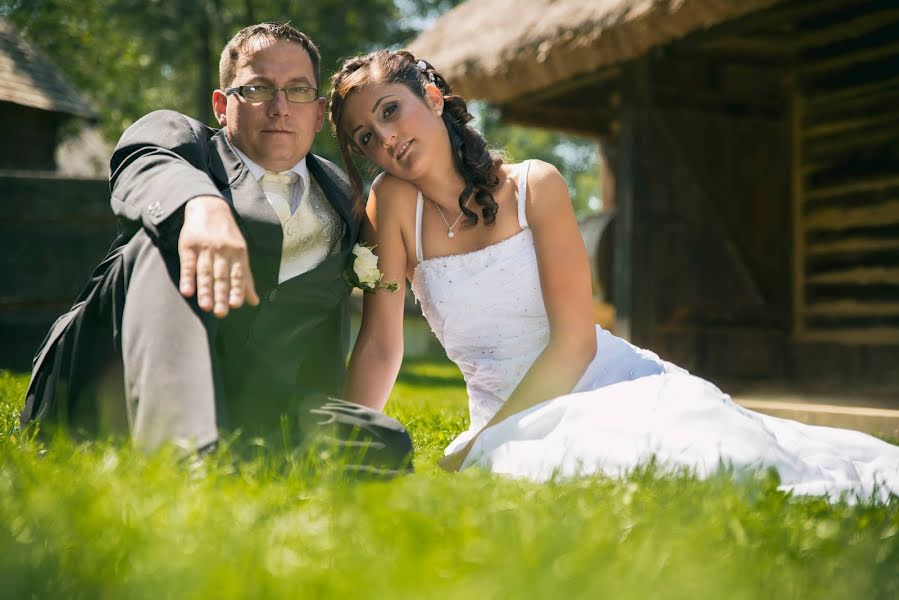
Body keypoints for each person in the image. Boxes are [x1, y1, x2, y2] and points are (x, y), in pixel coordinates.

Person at [328, 49, 899, 499]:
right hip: (502, 407)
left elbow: (574, 343)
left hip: (595, 381)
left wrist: (482, 440)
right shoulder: (393, 204)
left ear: (431, 97)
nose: (386, 138)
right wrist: (349, 446)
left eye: (389, 111)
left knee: (709, 461)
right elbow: (381, 344)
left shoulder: (536, 186)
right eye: (365, 138)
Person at [20, 23, 413, 476]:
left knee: (382, 442)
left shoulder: (348, 197)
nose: (280, 107)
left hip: (250, 403)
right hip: (102, 378)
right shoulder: (184, 144)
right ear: (222, 106)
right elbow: (144, 161)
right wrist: (200, 206)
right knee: (166, 240)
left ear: (318, 110)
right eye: (259, 89)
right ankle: (184, 460)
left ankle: (239, 448)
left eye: (298, 91)